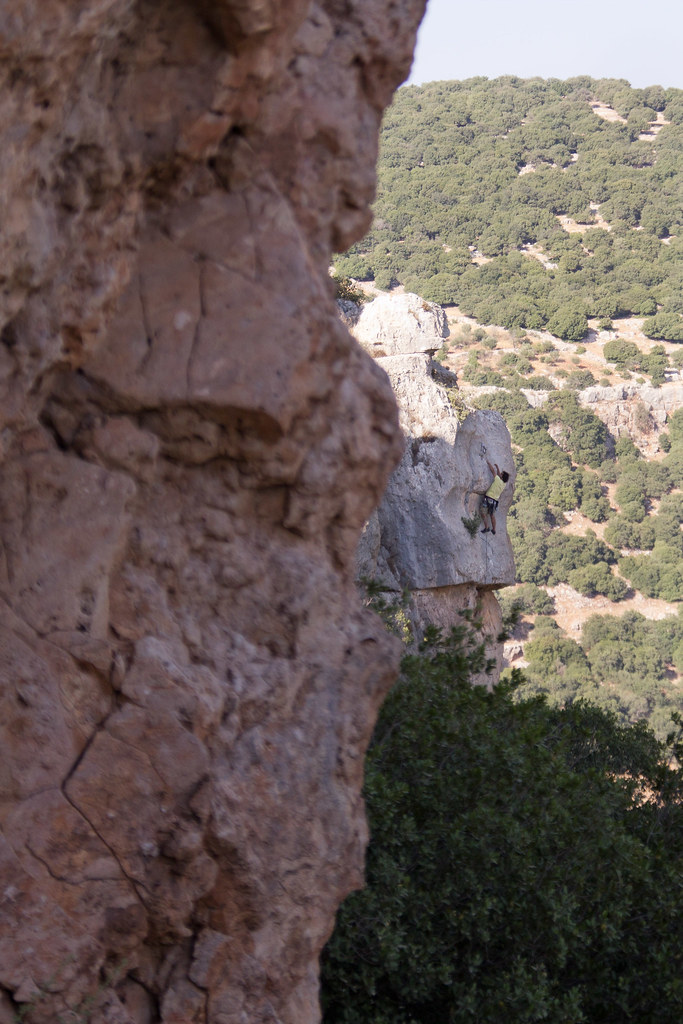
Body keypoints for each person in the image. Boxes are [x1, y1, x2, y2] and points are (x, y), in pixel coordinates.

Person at [479, 458, 509, 535]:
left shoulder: (497, 479)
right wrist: (498, 467)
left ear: (501, 476)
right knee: (492, 515)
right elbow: (499, 475)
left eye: (501, 474)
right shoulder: (504, 484)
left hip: (488, 499)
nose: (500, 474)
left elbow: (493, 471)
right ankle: (494, 529)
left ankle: (487, 527)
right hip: (494, 502)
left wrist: (489, 463)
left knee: (483, 512)